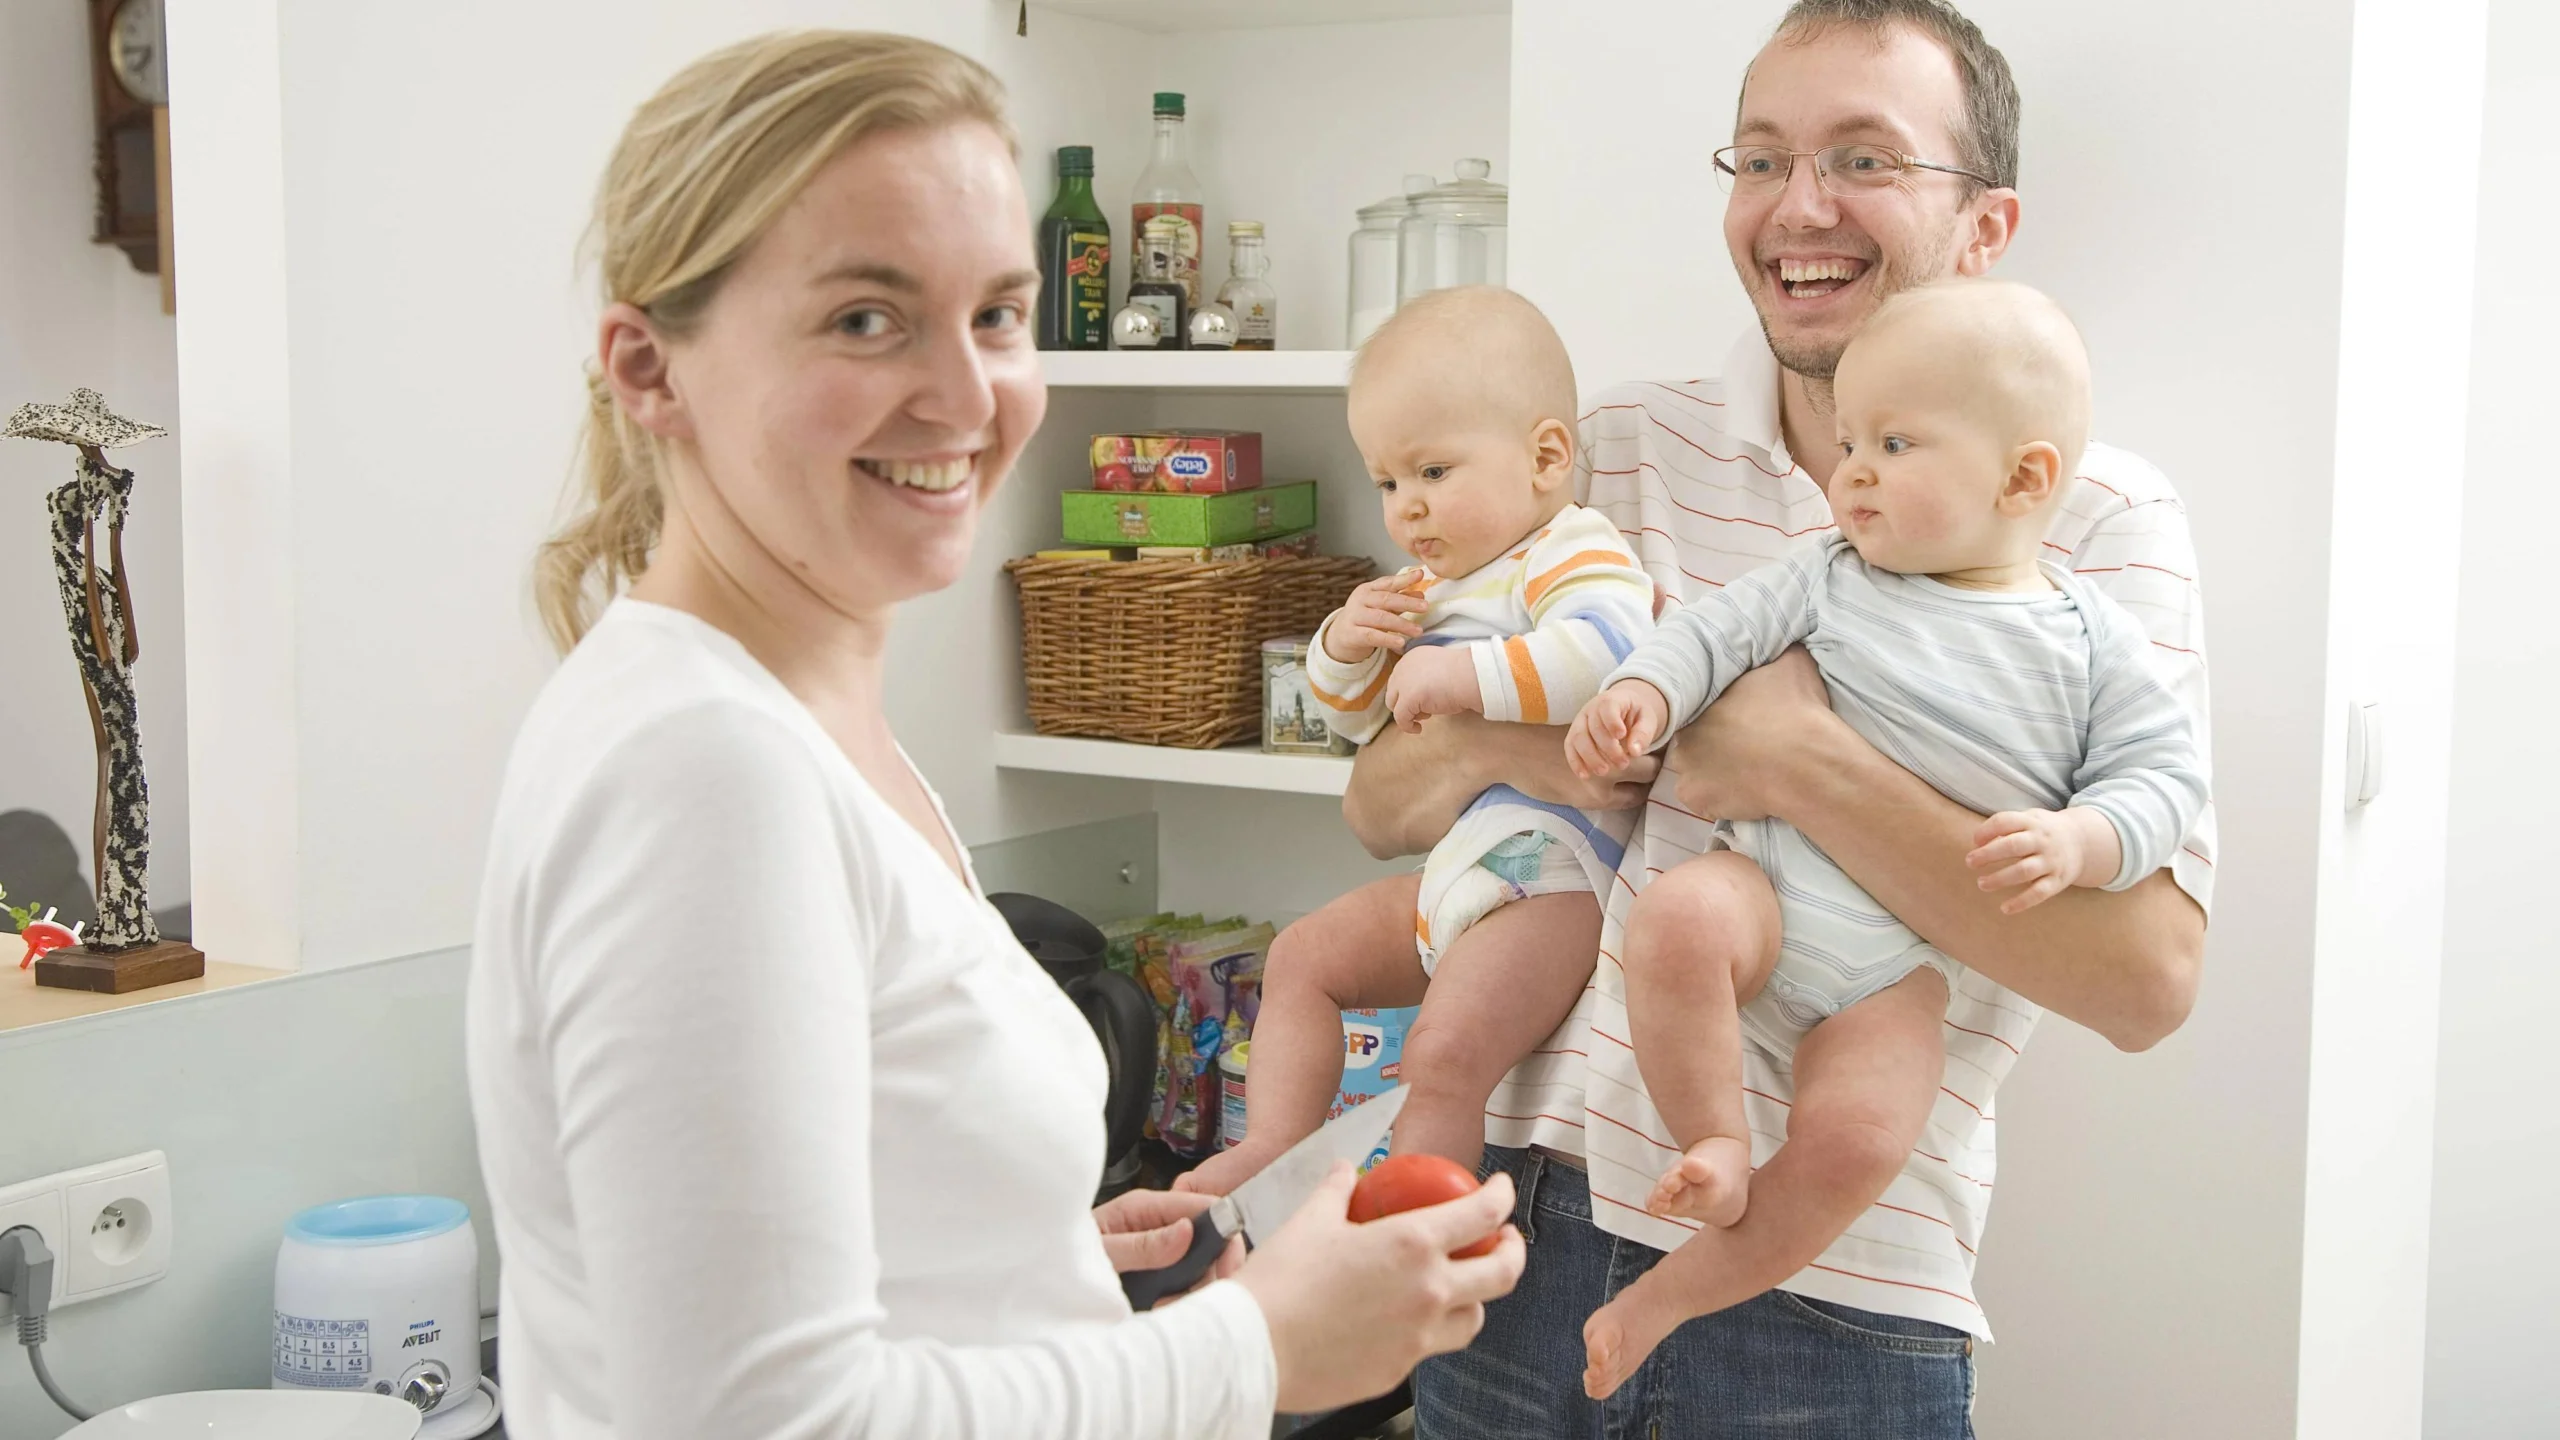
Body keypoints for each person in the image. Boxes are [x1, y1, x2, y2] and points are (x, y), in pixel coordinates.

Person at [463, 31, 1523, 1440]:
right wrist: (1254, 1348)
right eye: (864, 318)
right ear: (648, 367)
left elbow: (815, 1283)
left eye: (999, 315)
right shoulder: (699, 766)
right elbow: (752, 1424)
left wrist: (1029, 1273)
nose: (967, 400)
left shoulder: (788, 722)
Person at [1350, 4, 2215, 1434]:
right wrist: (1591, 755)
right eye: (1759, 159)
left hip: (1834, 1289)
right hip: (1510, 1216)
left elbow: (2147, 980)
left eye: (1863, 158)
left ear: (1985, 224)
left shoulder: (2091, 519)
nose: (1797, 208)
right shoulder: (1610, 448)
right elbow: (1380, 802)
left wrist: (1798, 762)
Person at [1562, 278, 2208, 1396]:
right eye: (1851, 439)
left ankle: (1670, 1296)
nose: (1851, 469)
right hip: (1763, 889)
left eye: (1894, 443)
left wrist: (2083, 843)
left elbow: (2163, 784)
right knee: (1677, 919)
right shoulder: (1826, 575)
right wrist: (1643, 697)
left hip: (1895, 974)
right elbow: (1711, 636)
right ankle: (1712, 1140)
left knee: (1861, 1142)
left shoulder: (2091, 640)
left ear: (2024, 478)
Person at [1179, 287, 1653, 1197]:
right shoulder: (1435, 588)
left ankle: (1422, 1220)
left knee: (1444, 1050)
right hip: (1461, 877)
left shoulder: (1566, 550)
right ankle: (1268, 1148)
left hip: (1553, 883)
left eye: (1433, 473)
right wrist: (1344, 646)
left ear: (1546, 456)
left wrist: (1462, 683)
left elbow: (1610, 653)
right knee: (1303, 958)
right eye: (1388, 483)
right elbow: (1356, 721)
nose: (1408, 511)